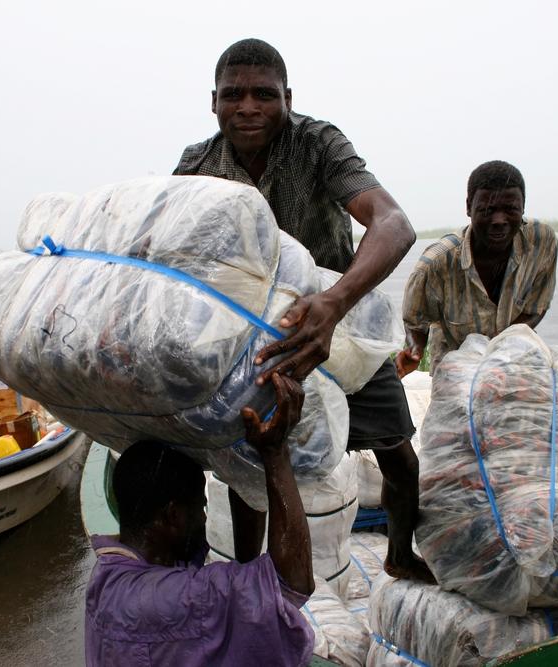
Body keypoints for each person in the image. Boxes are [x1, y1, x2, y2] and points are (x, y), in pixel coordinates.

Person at [174, 38, 432, 582]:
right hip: (251, 341)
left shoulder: (317, 144)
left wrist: (334, 304)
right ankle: (249, 581)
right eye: (233, 95)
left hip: (338, 326)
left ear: (287, 98)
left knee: (398, 453)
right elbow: (175, 258)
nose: (248, 107)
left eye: (264, 95)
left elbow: (392, 223)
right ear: (213, 101)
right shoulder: (196, 166)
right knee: (250, 472)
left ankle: (400, 553)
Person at [84, 373, 314, 667]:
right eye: (201, 508)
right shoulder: (169, 601)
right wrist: (274, 452)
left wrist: (241, 470)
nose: (204, 517)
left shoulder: (105, 578)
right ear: (173, 516)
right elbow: (291, 583)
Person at [397, 160, 558, 376]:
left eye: (510, 209)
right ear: (468, 207)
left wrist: (501, 347)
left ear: (523, 207)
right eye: (487, 210)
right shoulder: (436, 263)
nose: (499, 220)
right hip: (454, 368)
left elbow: (536, 308)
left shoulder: (542, 242)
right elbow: (416, 321)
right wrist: (415, 351)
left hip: (513, 359)